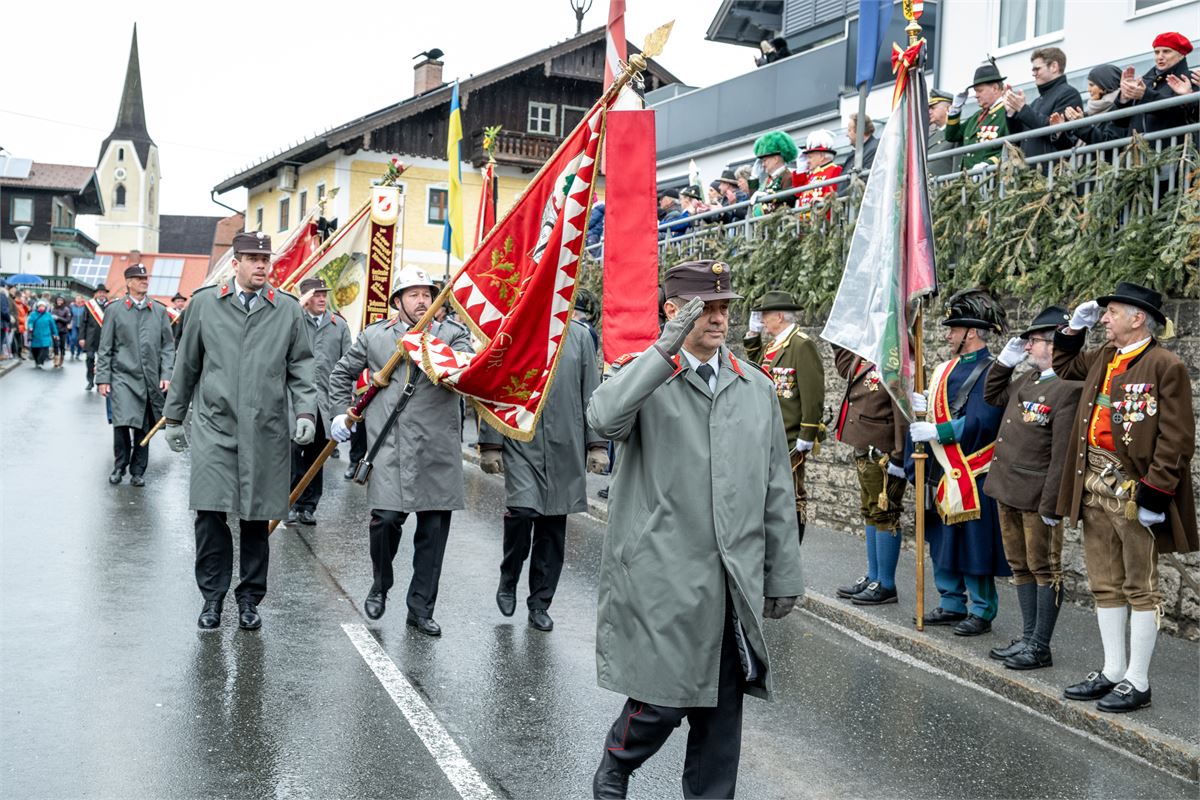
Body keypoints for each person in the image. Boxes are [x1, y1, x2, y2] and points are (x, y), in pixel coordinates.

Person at [587, 260, 804, 799]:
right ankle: (616, 766)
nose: (719, 318)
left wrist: (782, 574)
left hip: (731, 579)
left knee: (720, 715)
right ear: (674, 311)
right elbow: (603, 418)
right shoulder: (645, 375)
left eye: (725, 307)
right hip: (662, 573)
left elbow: (777, 487)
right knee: (662, 699)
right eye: (705, 308)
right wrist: (663, 348)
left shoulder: (755, 387)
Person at [162, 231, 317, 631]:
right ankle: (212, 599)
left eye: (265, 259)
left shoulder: (286, 310)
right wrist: (174, 417)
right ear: (236, 263)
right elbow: (187, 364)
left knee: (256, 517)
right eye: (252, 259)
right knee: (211, 513)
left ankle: (249, 599)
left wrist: (305, 411)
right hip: (215, 427)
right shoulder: (205, 304)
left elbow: (302, 366)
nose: (261, 265)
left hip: (266, 429)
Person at [1054, 283, 1196, 713]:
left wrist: (1156, 493)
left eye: (1111, 312)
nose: (1103, 319)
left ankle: (1138, 680)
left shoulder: (1165, 365)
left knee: (1141, 587)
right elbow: (1064, 366)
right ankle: (1113, 670)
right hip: (1093, 486)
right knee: (1105, 583)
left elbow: (1176, 437)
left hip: (1134, 491)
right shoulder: (1104, 355)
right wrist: (1072, 329)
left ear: (1137, 318)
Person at [328, 267, 473, 637]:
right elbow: (341, 374)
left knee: (433, 533)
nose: (422, 300)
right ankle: (380, 583)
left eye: (427, 294)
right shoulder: (375, 336)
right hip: (390, 446)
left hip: (437, 449)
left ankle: (421, 609)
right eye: (413, 294)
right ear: (397, 301)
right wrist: (339, 413)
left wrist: (428, 346)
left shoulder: (453, 336)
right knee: (386, 521)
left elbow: (467, 371)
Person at [479, 315, 607, 632]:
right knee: (522, 512)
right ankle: (509, 576)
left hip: (565, 444)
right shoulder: (514, 325)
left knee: (553, 529)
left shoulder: (579, 336)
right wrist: (490, 444)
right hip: (522, 439)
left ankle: (539, 604)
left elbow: (591, 393)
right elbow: (494, 388)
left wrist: (596, 444)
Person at [981, 306, 1082, 669]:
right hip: (1007, 488)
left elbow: (1062, 454)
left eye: (1033, 340)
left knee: (1044, 568)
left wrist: (1052, 504)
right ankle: (1027, 637)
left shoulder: (1069, 387)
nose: (1026, 346)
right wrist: (1003, 364)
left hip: (1037, 495)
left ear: (1054, 344)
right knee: (1019, 565)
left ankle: (1040, 645)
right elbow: (992, 396)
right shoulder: (1029, 378)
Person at [908, 288, 1008, 636]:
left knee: (973, 544)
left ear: (973, 332)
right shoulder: (943, 369)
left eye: (955, 328)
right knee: (941, 539)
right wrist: (924, 410)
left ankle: (982, 609)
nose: (948, 334)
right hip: (941, 467)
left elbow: (984, 420)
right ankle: (950, 601)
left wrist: (939, 430)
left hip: (972, 469)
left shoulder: (992, 371)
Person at [743, 290, 824, 545]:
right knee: (772, 497)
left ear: (779, 316)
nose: (762, 320)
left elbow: (813, 392)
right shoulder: (774, 344)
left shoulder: (801, 344)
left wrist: (807, 433)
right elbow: (758, 369)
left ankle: (792, 550)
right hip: (771, 434)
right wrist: (752, 335)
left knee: (792, 497)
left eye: (765, 315)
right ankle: (777, 549)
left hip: (790, 438)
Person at [831, 347, 909, 605]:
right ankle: (874, 576)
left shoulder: (895, 354)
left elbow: (902, 406)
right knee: (870, 511)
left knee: (885, 513)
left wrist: (899, 454)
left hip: (884, 449)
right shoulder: (866, 353)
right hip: (865, 446)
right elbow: (845, 367)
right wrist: (840, 335)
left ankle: (886, 584)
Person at [95, 263, 176, 487]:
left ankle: (138, 470)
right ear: (129, 283)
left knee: (143, 425)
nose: (144, 281)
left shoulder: (158, 310)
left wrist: (166, 374)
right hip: (122, 376)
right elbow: (105, 347)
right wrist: (103, 378)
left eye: (145, 278)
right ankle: (119, 466)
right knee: (122, 423)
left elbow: (168, 347)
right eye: (139, 279)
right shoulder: (114, 310)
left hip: (149, 378)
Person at [287, 277, 351, 526]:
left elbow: (349, 364)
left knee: (317, 456)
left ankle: (308, 506)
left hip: (326, 402)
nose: (322, 298)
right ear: (305, 298)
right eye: (316, 294)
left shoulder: (339, 325)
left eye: (324, 294)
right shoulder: (292, 321)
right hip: (295, 400)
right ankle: (290, 501)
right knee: (293, 452)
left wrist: (345, 404)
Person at [1112, 33, 1198, 135]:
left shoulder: (1191, 79)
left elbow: (1184, 115)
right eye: (1157, 52)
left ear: (1181, 55)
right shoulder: (1145, 81)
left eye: (1166, 51)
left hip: (1173, 144)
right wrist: (1124, 98)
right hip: (1139, 145)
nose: (1160, 57)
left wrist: (1146, 96)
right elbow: (1120, 123)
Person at [1004, 47, 1081, 158]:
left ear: (1054, 67)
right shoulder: (1036, 102)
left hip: (1052, 167)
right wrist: (1012, 112)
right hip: (1031, 167)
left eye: (1037, 69)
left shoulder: (1069, 94)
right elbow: (1019, 139)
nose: (1034, 74)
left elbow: (1056, 132)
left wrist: (1022, 109)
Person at [945, 60, 1011, 171]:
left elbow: (1013, 146)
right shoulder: (977, 116)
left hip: (991, 176)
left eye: (980, 91)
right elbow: (951, 136)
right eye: (975, 91)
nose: (976, 96)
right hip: (969, 177)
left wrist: (990, 163)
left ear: (995, 88)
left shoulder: (1006, 113)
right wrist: (956, 108)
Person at [1050, 65, 1123, 147]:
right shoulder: (1089, 114)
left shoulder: (1120, 110)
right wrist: (1059, 132)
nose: (1088, 89)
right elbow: (1074, 147)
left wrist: (1082, 125)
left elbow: (1109, 143)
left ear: (1105, 85)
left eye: (1092, 85)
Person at [750, 130, 798, 214]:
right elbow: (752, 200)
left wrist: (768, 196)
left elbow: (788, 198)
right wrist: (753, 178)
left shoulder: (788, 176)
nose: (763, 165)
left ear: (776, 159)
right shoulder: (768, 179)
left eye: (765, 160)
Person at [794, 129, 842, 207]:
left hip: (821, 213)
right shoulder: (813, 174)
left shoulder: (835, 170)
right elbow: (798, 193)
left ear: (821, 156)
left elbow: (833, 195)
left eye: (810, 157)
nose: (807, 161)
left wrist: (824, 200)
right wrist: (800, 170)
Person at [78, 284, 110, 390]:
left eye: (103, 292)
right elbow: (83, 323)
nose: (102, 294)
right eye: (100, 292)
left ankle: (100, 382)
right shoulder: (89, 306)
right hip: (90, 338)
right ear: (96, 294)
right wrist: (81, 338)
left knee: (103, 361)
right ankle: (90, 381)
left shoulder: (110, 306)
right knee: (90, 358)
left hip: (105, 338)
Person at [928, 87, 959, 177]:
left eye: (933, 108)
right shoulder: (931, 137)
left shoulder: (957, 133)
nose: (929, 112)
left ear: (948, 109)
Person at [26, 299, 58, 369]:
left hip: (45, 336)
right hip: (35, 335)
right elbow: (30, 322)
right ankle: (37, 361)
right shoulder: (33, 314)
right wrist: (30, 326)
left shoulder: (48, 315)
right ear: (37, 307)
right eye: (40, 306)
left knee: (44, 349)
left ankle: (40, 362)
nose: (41, 307)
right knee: (35, 349)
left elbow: (53, 325)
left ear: (45, 307)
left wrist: (55, 334)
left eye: (43, 306)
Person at [50, 295, 71, 368]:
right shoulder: (53, 308)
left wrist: (58, 318)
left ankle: (62, 358)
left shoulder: (66, 309)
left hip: (63, 330)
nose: (59, 302)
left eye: (61, 300)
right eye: (58, 300)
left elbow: (68, 320)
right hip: (55, 330)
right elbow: (51, 318)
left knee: (62, 345)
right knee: (55, 344)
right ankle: (56, 358)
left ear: (63, 301)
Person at [69, 295, 85, 360]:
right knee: (73, 339)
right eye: (77, 298)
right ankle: (72, 353)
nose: (78, 300)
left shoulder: (85, 307)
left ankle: (78, 354)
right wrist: (69, 323)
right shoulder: (72, 306)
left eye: (79, 298)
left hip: (82, 326)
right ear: (75, 299)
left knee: (80, 340)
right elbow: (70, 316)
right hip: (74, 325)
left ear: (82, 299)